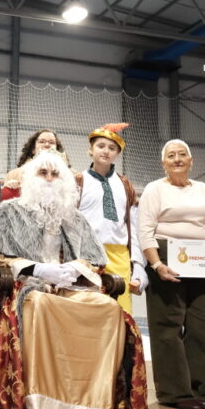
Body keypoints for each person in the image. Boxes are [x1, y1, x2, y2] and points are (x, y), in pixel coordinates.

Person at [0, 151, 154, 409]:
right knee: (41, 305)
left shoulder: (75, 217)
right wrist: (38, 269)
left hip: (72, 287)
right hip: (29, 286)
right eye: (42, 173)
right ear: (30, 178)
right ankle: (45, 406)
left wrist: (74, 269)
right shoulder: (10, 210)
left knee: (108, 309)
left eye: (55, 174)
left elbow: (96, 260)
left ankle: (89, 407)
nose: (49, 179)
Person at [138, 139, 205, 409]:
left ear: (191, 161)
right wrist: (156, 264)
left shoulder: (203, 189)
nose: (177, 159)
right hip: (167, 258)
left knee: (202, 323)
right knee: (168, 327)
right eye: (171, 155)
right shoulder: (155, 189)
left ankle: (198, 388)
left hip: (201, 260)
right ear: (163, 163)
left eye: (182, 154)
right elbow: (145, 230)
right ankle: (175, 393)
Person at [79, 123, 147, 313]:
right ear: (91, 149)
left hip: (119, 256)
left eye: (112, 148)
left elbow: (134, 226)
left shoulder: (125, 185)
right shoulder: (78, 180)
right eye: (101, 146)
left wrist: (138, 265)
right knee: (87, 312)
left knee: (121, 312)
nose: (106, 151)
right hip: (86, 256)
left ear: (118, 153)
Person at [1, 128, 68, 200]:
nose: (47, 145)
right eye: (42, 142)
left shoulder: (69, 174)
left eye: (51, 142)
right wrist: (8, 188)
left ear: (57, 149)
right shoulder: (14, 174)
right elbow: (5, 199)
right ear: (33, 149)